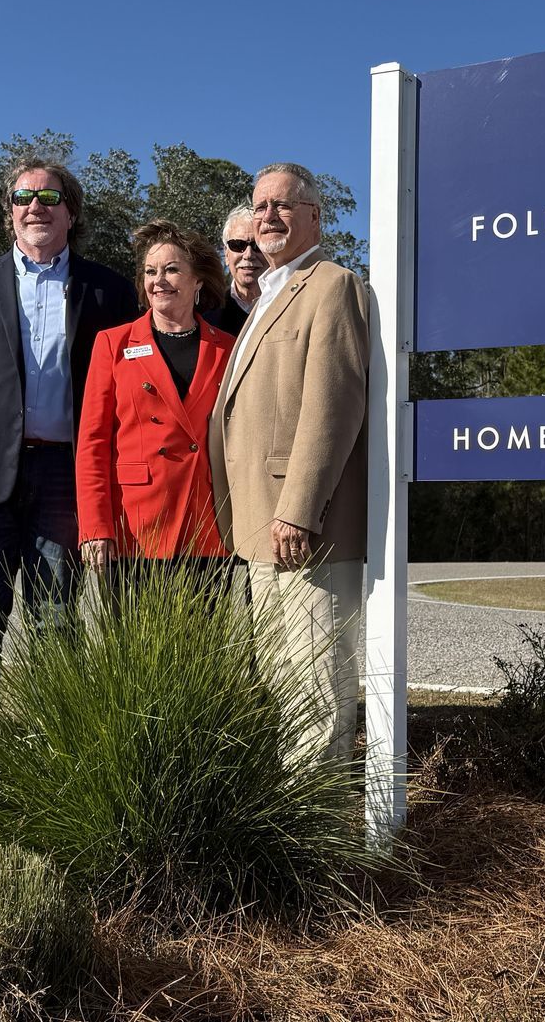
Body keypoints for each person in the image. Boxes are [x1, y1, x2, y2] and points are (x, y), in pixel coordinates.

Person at [0, 158, 135, 721]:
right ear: (9, 212)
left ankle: (53, 738)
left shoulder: (107, 288)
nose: (34, 206)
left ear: (71, 211)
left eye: (48, 197)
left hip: (66, 476)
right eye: (22, 197)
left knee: (56, 619)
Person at [209, 162, 369, 761]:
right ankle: (296, 835)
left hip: (307, 530)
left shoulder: (332, 285)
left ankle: (320, 843)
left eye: (282, 205)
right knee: (284, 691)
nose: (267, 216)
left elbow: (333, 405)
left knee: (317, 693)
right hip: (261, 532)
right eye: (259, 206)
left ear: (314, 218)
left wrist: (299, 510)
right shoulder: (269, 293)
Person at [77, 221, 234, 592]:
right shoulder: (113, 344)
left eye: (172, 269)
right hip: (135, 527)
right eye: (150, 271)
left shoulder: (229, 348)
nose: (158, 280)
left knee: (205, 646)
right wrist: (95, 527)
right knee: (133, 648)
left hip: (205, 523)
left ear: (198, 281)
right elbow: (92, 445)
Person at [204, 203, 264, 336]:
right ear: (226, 254)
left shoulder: (290, 305)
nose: (248, 254)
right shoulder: (205, 314)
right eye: (237, 245)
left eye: (258, 245)